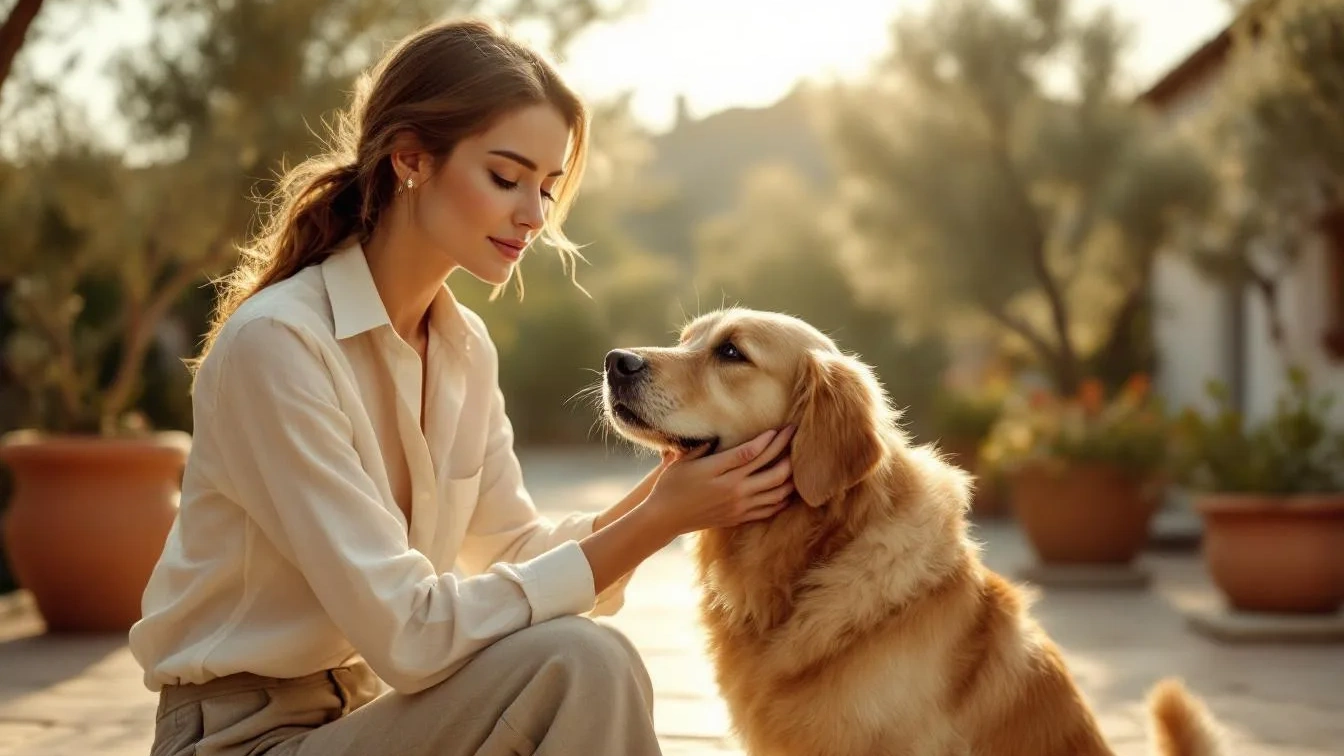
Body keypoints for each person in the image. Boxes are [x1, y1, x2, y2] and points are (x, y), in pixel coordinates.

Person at [128, 17, 796, 756]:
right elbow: (410, 634)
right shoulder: (279, 346)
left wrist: (683, 485)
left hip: (365, 720)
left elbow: (513, 551)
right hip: (237, 740)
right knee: (578, 665)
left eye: (546, 188)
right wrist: (658, 521)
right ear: (411, 158)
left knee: (579, 660)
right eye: (506, 178)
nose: (535, 215)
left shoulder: (463, 349)